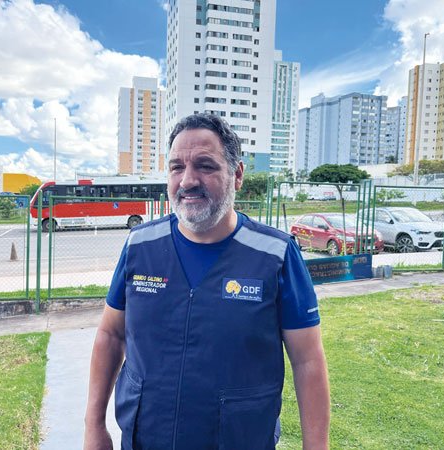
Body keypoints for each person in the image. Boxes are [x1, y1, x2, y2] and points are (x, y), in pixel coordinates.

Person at [84, 113, 330, 450]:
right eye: (176, 167)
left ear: (237, 175)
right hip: (146, 439)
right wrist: (94, 426)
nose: (187, 180)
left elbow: (308, 360)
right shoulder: (140, 245)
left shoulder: (276, 254)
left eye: (205, 166)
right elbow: (110, 335)